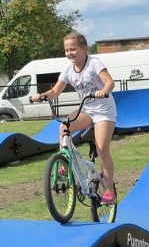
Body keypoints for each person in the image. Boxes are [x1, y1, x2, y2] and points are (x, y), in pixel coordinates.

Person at [31, 31, 117, 204]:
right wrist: (42, 95)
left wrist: (103, 91)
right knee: (64, 126)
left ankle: (109, 191)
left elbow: (110, 82)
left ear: (84, 48)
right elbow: (55, 92)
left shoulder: (94, 63)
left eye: (73, 49)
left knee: (102, 149)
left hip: (103, 110)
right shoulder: (68, 70)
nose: (69, 53)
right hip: (85, 110)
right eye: (66, 50)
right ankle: (63, 164)